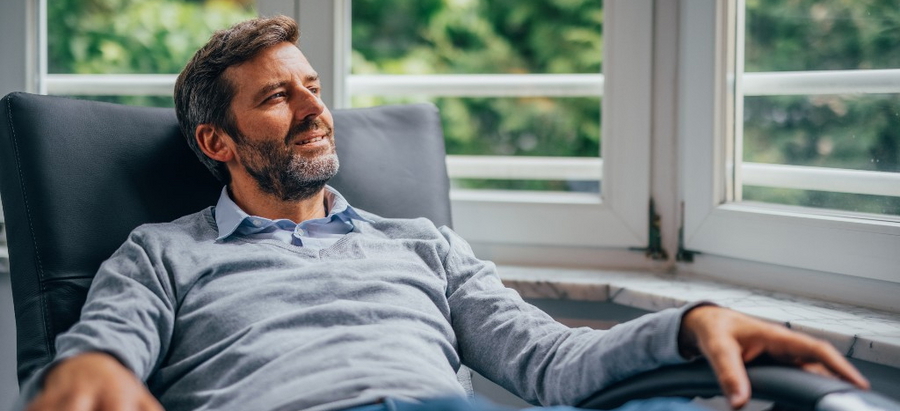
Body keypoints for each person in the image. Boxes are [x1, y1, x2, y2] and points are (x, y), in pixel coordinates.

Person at [17, 16, 868, 411]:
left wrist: (694, 320)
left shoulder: (421, 245)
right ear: (218, 140)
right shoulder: (163, 252)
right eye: (278, 98)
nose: (316, 109)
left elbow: (552, 361)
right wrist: (91, 368)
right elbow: (105, 349)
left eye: (314, 88)